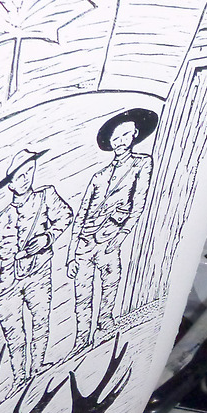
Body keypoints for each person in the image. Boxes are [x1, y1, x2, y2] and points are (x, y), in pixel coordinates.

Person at [0, 148, 73, 384]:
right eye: (20, 176)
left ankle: (38, 367)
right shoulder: (2, 220)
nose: (26, 178)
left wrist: (48, 237)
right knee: (14, 335)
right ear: (10, 184)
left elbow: (65, 216)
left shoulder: (46, 196)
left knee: (41, 321)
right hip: (8, 283)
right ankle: (20, 378)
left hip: (39, 274)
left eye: (29, 171)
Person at [68, 107, 157, 352]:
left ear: (135, 135)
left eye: (125, 135)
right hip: (85, 242)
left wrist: (122, 234)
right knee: (82, 293)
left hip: (110, 237)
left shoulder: (142, 164)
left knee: (110, 281)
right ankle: (82, 339)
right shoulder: (99, 175)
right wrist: (71, 254)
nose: (120, 141)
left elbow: (139, 202)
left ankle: (104, 325)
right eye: (115, 138)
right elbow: (81, 215)